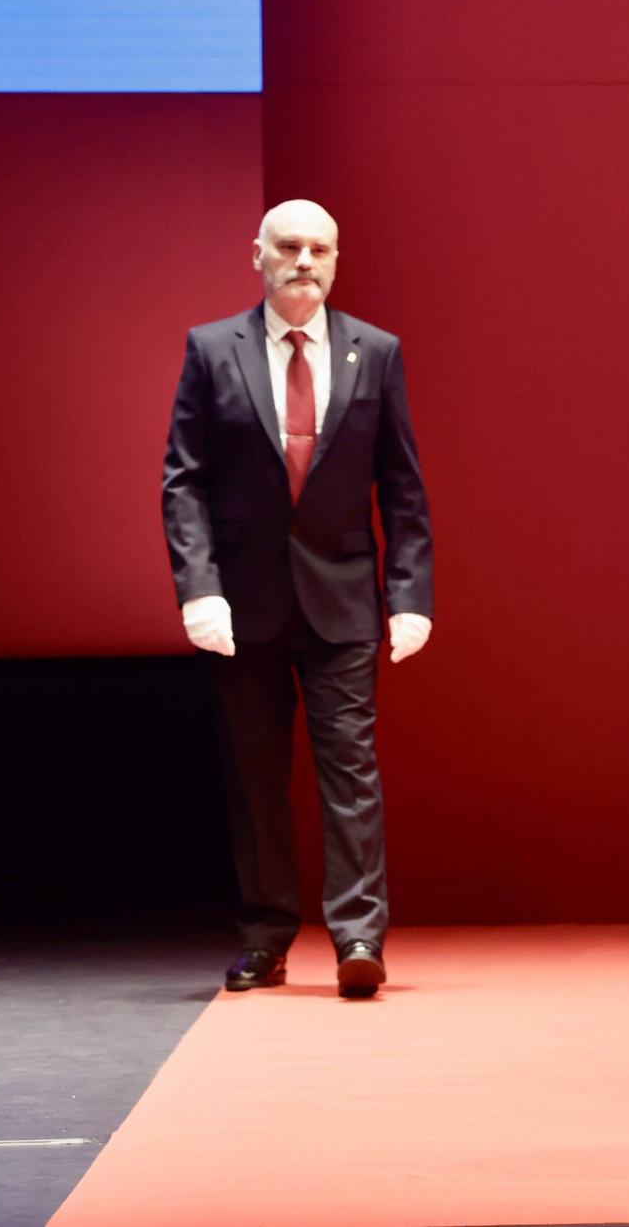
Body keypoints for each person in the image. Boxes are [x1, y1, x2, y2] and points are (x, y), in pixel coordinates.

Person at [161, 199, 433, 1001]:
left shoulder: (374, 352)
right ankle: (265, 937)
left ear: (337, 259)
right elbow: (185, 480)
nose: (304, 259)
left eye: (319, 248)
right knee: (255, 774)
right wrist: (198, 589)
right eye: (289, 246)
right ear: (259, 254)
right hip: (242, 605)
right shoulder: (212, 349)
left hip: (345, 598)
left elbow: (403, 485)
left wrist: (410, 594)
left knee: (351, 771)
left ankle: (358, 934)